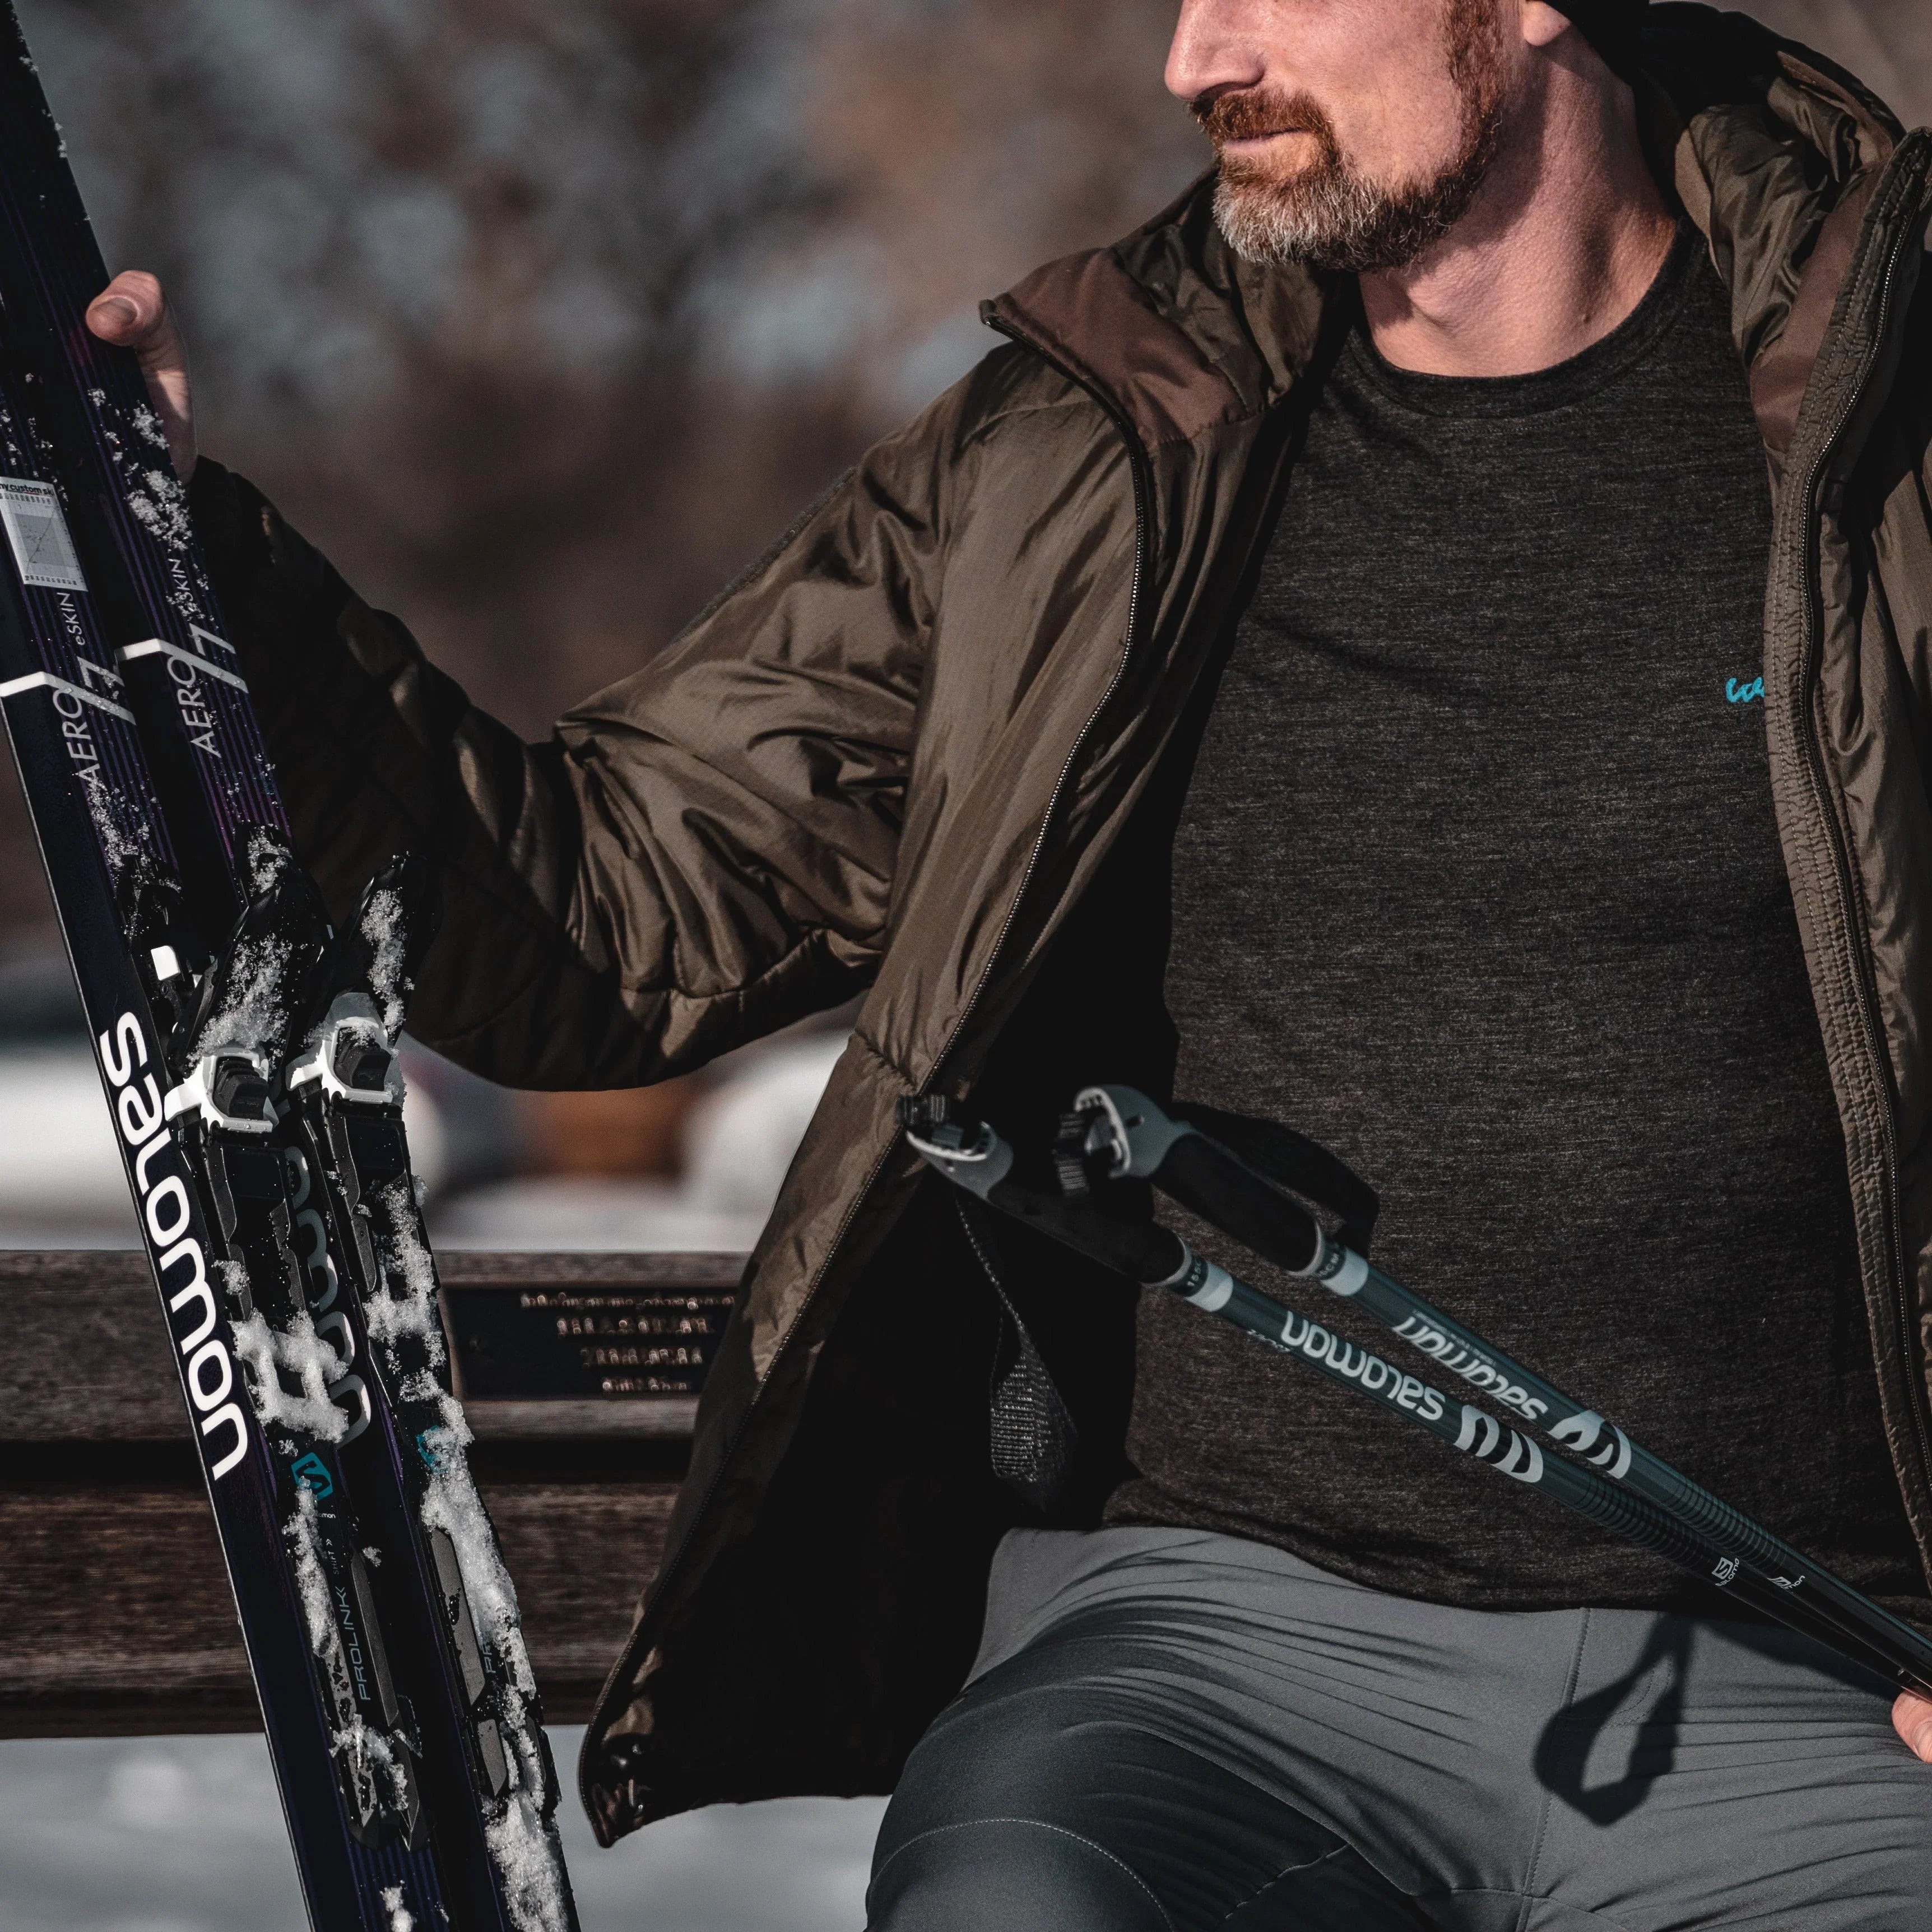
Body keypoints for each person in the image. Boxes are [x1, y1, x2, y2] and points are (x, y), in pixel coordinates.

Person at [90, 0, 1932, 1921]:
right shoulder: (1093, 455)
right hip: (1217, 1658)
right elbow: (610, 903)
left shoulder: (1889, 423)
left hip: (1810, 1678)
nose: (1194, 55)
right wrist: (196, 575)